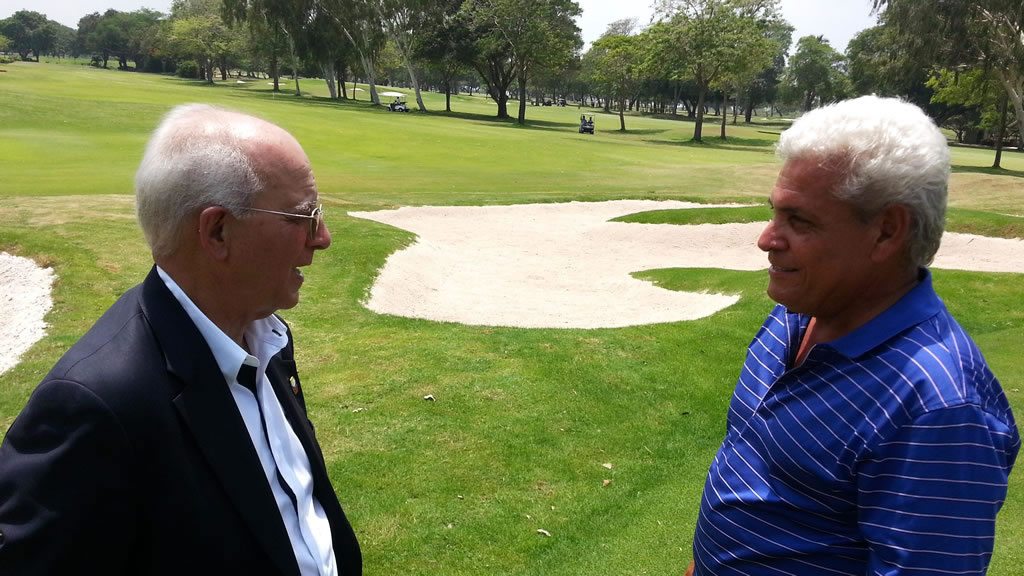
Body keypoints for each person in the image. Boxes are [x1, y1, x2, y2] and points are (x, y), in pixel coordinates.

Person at [0, 104, 361, 575]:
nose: (323, 237)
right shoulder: (96, 406)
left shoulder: (266, 339)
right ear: (217, 231)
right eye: (302, 217)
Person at [688, 96, 1019, 575]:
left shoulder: (939, 409)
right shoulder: (796, 314)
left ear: (886, 232)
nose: (767, 239)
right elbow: (749, 466)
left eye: (799, 220)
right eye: (774, 213)